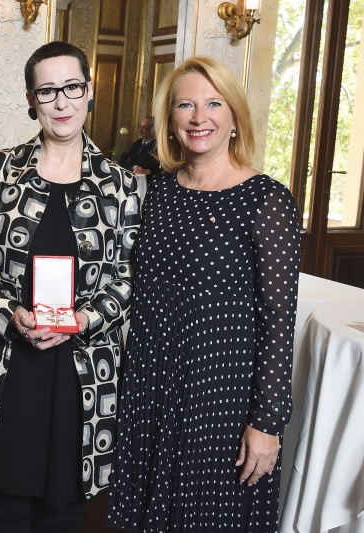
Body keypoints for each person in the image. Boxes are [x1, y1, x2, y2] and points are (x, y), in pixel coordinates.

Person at [0, 41, 141, 532]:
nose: (61, 101)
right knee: (4, 507)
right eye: (47, 91)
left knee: (66, 512)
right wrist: (8, 312)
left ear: (89, 91)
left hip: (81, 374)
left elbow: (127, 277)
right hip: (5, 365)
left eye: (72, 87)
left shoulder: (121, 185)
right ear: (32, 100)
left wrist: (84, 319)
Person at [107, 56, 301, 532]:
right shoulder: (155, 193)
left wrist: (268, 423)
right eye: (185, 105)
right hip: (150, 387)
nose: (199, 117)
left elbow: (280, 320)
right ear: (169, 120)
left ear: (234, 116)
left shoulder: (266, 199)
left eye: (214, 103)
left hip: (220, 399)